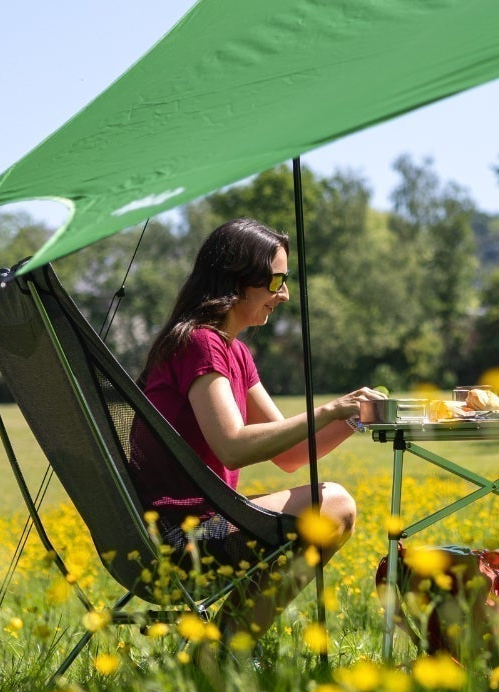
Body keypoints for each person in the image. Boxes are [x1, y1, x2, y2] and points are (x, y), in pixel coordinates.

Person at [137, 216, 382, 641]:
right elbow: (231, 446)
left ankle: (227, 645)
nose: (283, 295)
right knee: (334, 505)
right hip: (178, 534)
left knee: (331, 505)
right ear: (234, 282)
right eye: (274, 282)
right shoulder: (199, 342)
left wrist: (350, 417)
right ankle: (231, 645)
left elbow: (288, 456)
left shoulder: (234, 350)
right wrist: (327, 410)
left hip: (206, 521)